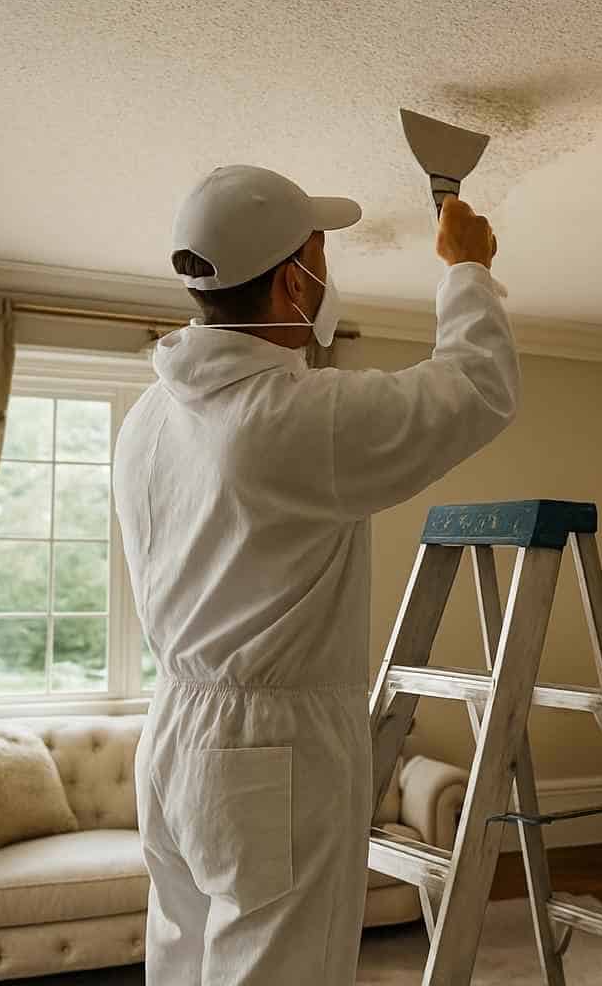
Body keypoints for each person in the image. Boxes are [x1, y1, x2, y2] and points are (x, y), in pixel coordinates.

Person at [113, 164, 518, 984]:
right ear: (293, 283)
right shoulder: (287, 420)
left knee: (185, 964)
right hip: (270, 752)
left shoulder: (151, 415)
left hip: (173, 740)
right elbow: (476, 388)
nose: (328, 273)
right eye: (320, 255)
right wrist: (466, 268)